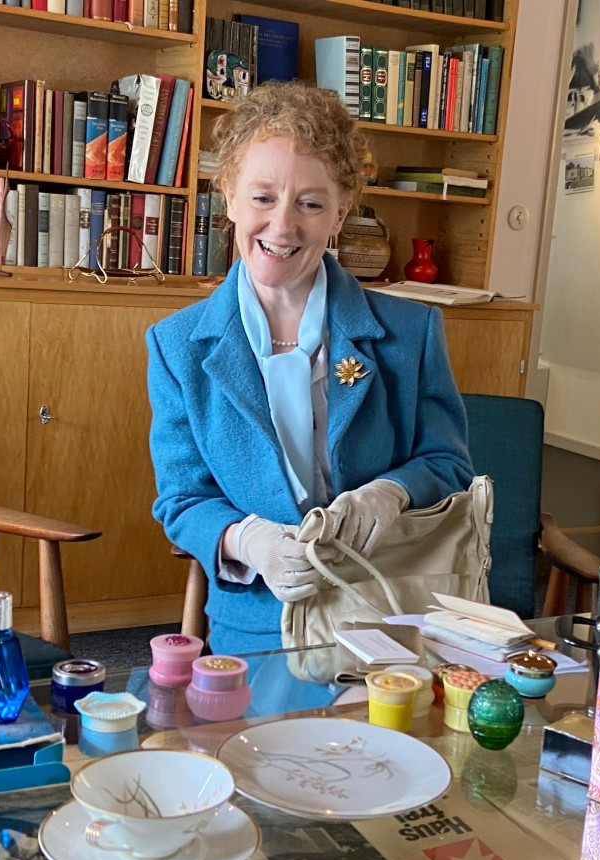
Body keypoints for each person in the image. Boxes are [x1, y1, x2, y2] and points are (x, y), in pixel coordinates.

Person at [147, 82, 474, 656]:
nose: (282, 226)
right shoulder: (176, 346)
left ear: (340, 215)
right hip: (256, 625)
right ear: (227, 196)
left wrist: (391, 492)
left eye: (311, 203)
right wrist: (250, 541)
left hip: (391, 608)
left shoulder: (412, 332)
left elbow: (449, 464)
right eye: (263, 197)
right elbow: (181, 500)